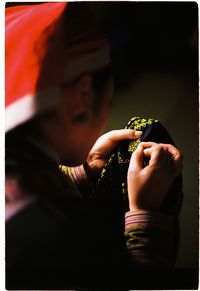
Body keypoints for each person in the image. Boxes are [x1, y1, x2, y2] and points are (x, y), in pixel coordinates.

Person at [5, 2, 183, 289]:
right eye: (108, 102)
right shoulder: (65, 238)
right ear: (83, 97)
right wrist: (146, 211)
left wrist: (84, 171)